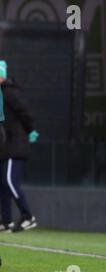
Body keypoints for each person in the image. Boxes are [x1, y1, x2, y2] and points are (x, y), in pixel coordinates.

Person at [0, 60, 39, 233]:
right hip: (4, 146)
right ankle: (6, 221)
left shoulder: (9, 92)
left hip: (15, 145)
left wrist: (31, 130)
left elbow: (25, 112)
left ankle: (27, 216)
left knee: (9, 181)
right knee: (2, 183)